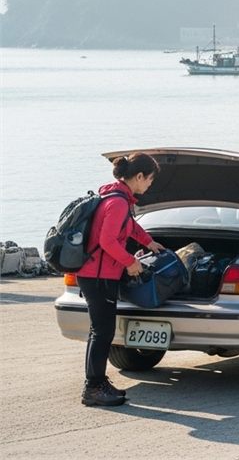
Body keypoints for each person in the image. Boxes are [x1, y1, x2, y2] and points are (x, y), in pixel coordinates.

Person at [77, 153, 166, 407]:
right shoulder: (117, 203)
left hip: (95, 273)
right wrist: (130, 262)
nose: (149, 185)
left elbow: (128, 227)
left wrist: (148, 241)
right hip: (99, 276)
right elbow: (107, 241)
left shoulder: (115, 197)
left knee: (100, 331)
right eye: (149, 180)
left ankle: (96, 384)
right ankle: (93, 387)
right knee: (102, 332)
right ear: (139, 177)